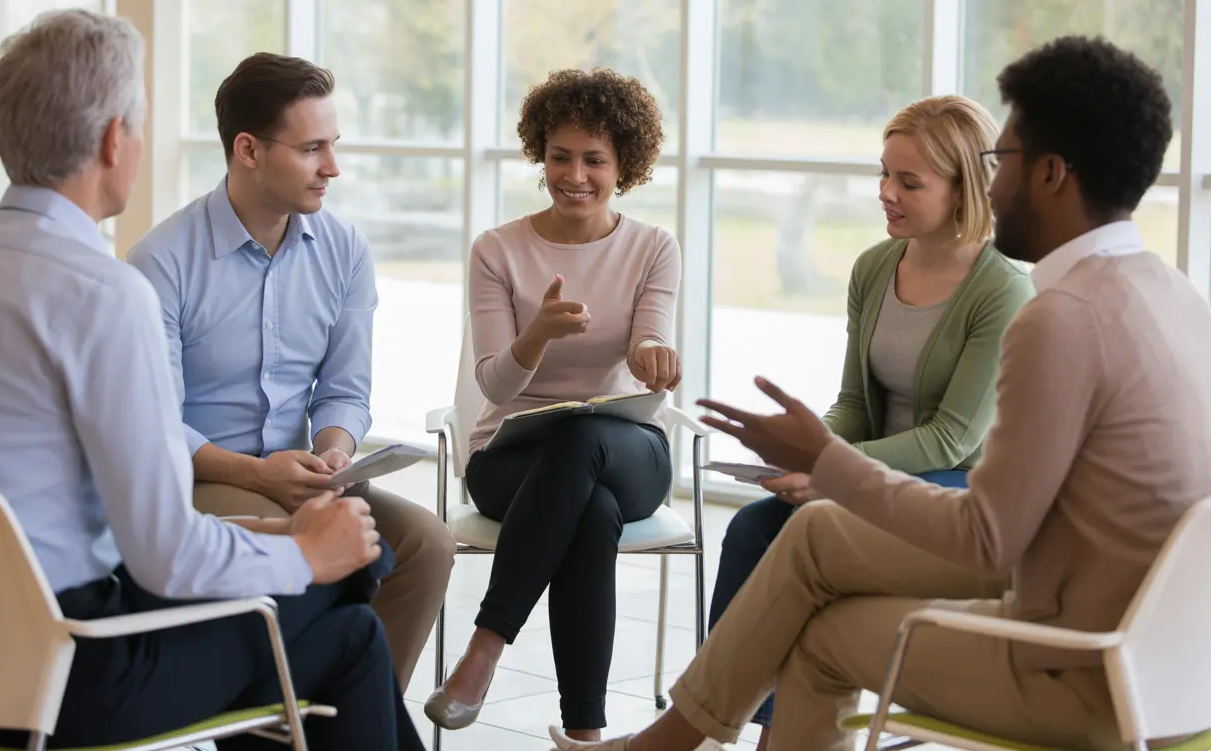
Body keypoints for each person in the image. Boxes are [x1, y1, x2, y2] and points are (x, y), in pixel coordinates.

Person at [550, 36, 1211, 751]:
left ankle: (667, 745)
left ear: (1051, 174)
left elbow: (985, 538)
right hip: (1167, 660)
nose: (993, 187)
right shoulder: (1173, 293)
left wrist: (827, 463)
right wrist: (821, 459)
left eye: (1000, 163)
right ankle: (672, 742)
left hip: (1081, 667)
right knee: (813, 535)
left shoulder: (1057, 316)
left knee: (822, 636)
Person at [0, 10, 423, 750]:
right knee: (351, 593)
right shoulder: (104, 293)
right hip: (75, 672)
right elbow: (165, 555)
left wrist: (274, 536)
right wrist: (306, 553)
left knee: (349, 631)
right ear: (116, 139)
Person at [708, 95, 1033, 750]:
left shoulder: (1002, 288)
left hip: (959, 487)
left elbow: (953, 439)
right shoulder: (874, 267)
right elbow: (855, 405)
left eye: (908, 182)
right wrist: (802, 451)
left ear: (965, 187)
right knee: (749, 530)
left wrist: (832, 470)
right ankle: (743, 725)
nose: (885, 193)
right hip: (874, 470)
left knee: (812, 525)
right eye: (883, 174)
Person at [126, 52, 455, 691]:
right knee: (329, 551)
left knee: (426, 544)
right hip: (204, 479)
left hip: (304, 477)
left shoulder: (344, 250)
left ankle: (352, 715)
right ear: (247, 150)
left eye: (332, 145)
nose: (332, 167)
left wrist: (335, 452)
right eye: (311, 149)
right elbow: (156, 428)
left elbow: (344, 390)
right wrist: (257, 473)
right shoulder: (160, 263)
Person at [423, 68, 680, 742]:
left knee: (582, 438)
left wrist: (654, 352)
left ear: (625, 164)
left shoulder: (653, 247)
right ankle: (586, 735)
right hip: (508, 457)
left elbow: (653, 332)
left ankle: (483, 650)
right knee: (585, 508)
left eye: (594, 160)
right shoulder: (498, 251)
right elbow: (497, 388)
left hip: (627, 451)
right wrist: (538, 331)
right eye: (560, 155)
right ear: (540, 153)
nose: (575, 174)